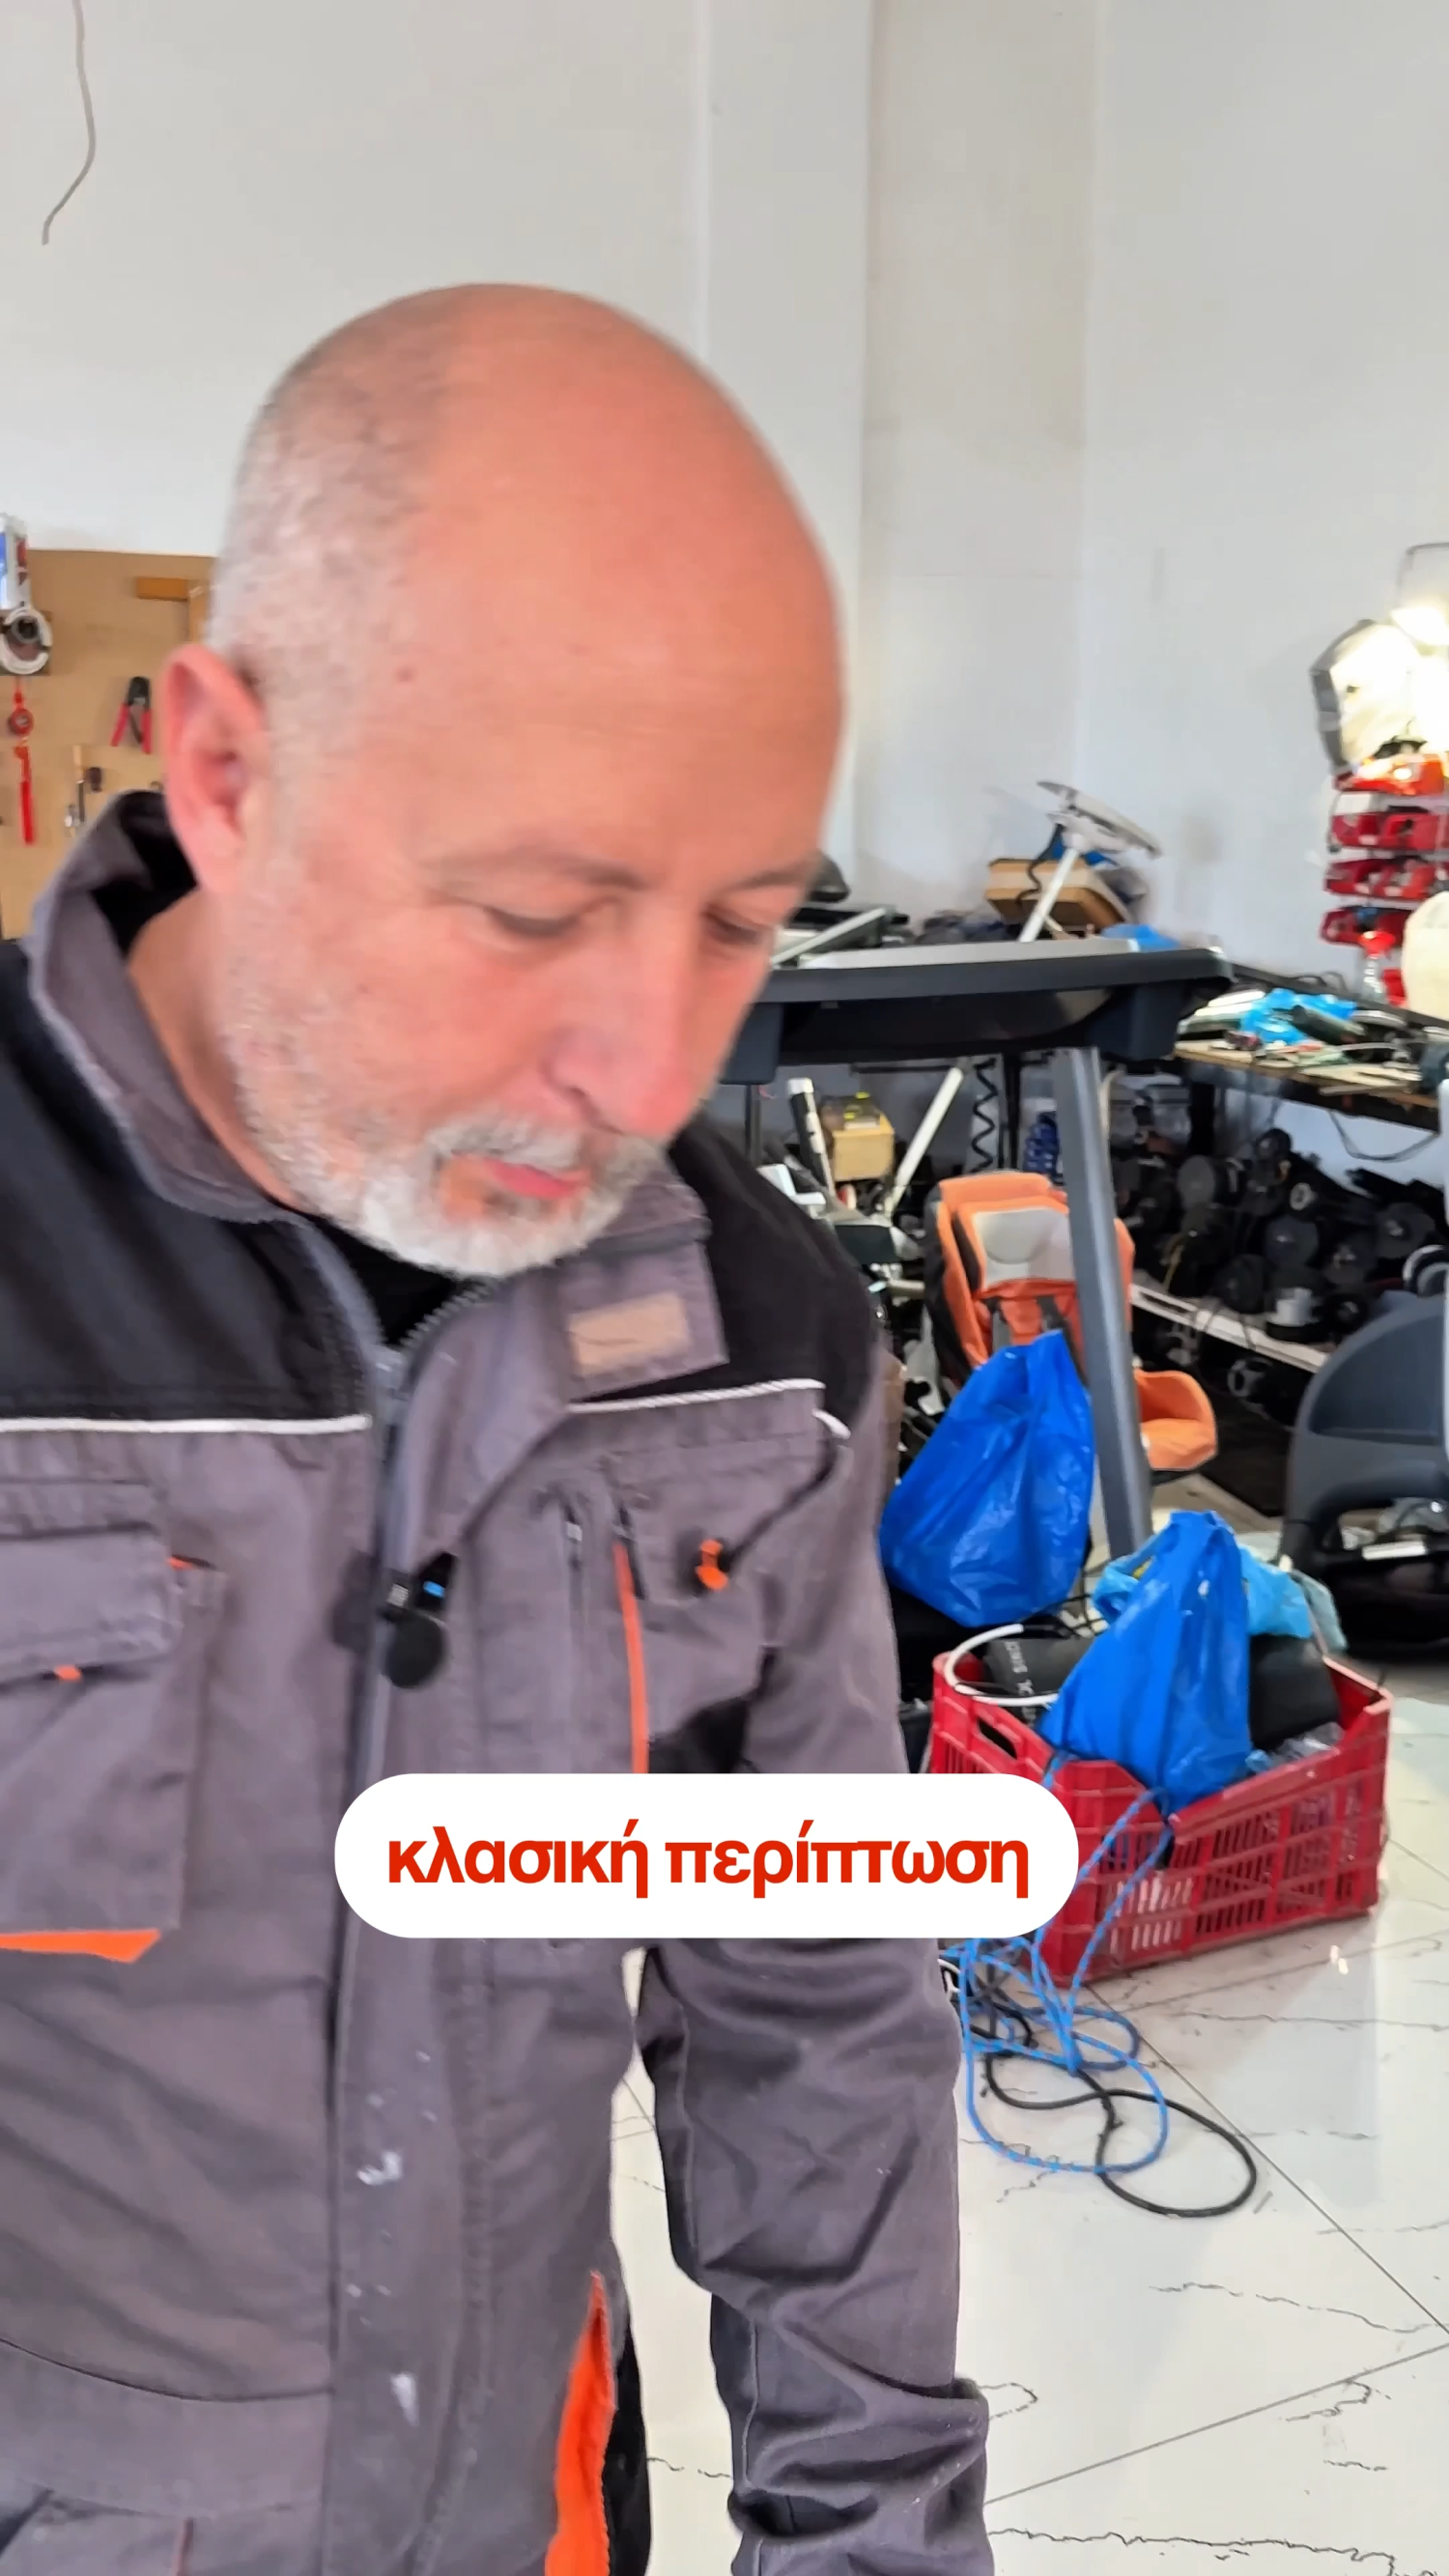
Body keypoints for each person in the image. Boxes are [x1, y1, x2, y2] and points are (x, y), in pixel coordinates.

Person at [0, 287, 990, 2575]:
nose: (646, 1069)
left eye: (741, 925)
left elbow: (813, 2018)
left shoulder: (758, 1336)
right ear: (226, 773)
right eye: (537, 909)